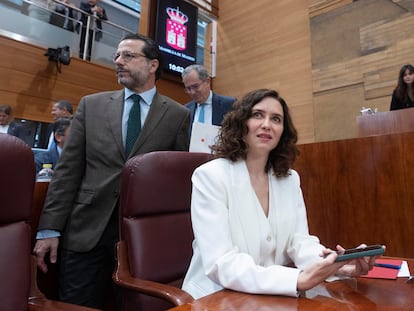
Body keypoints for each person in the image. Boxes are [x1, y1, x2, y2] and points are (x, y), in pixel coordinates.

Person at [33, 33, 190, 309]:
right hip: (86, 231)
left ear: (153, 65)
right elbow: (68, 171)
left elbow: (174, 185)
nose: (118, 61)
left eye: (128, 55)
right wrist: (49, 229)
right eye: (117, 55)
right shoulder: (91, 105)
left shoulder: (177, 115)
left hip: (141, 239)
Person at [182, 88, 377, 299]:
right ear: (241, 123)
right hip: (216, 297)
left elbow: (299, 241)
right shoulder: (210, 176)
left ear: (283, 130)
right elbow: (221, 263)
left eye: (276, 119)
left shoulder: (289, 178)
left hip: (269, 298)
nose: (267, 124)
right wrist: (296, 280)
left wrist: (335, 266)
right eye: (257, 115)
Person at [181, 64, 235, 137]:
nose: (192, 92)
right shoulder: (185, 111)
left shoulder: (229, 104)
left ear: (207, 81)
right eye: (188, 89)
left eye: (195, 86)